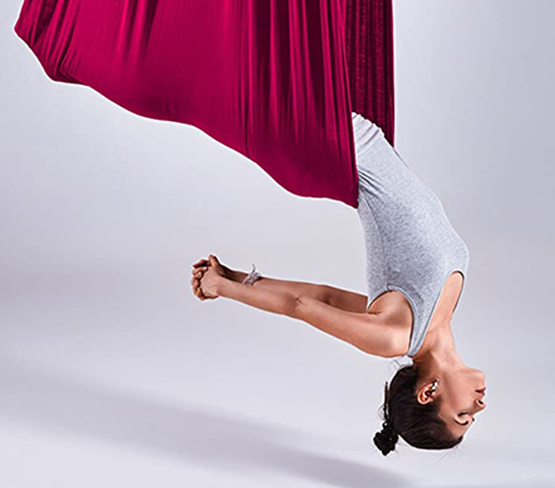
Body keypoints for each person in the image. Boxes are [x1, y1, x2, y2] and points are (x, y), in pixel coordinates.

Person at [190, 111, 486, 453]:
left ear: (427, 393)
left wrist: (222, 286)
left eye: (463, 415)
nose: (479, 407)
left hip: (334, 143)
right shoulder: (432, 320)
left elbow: (302, 305)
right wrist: (235, 277)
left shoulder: (393, 337)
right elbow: (325, 298)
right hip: (353, 136)